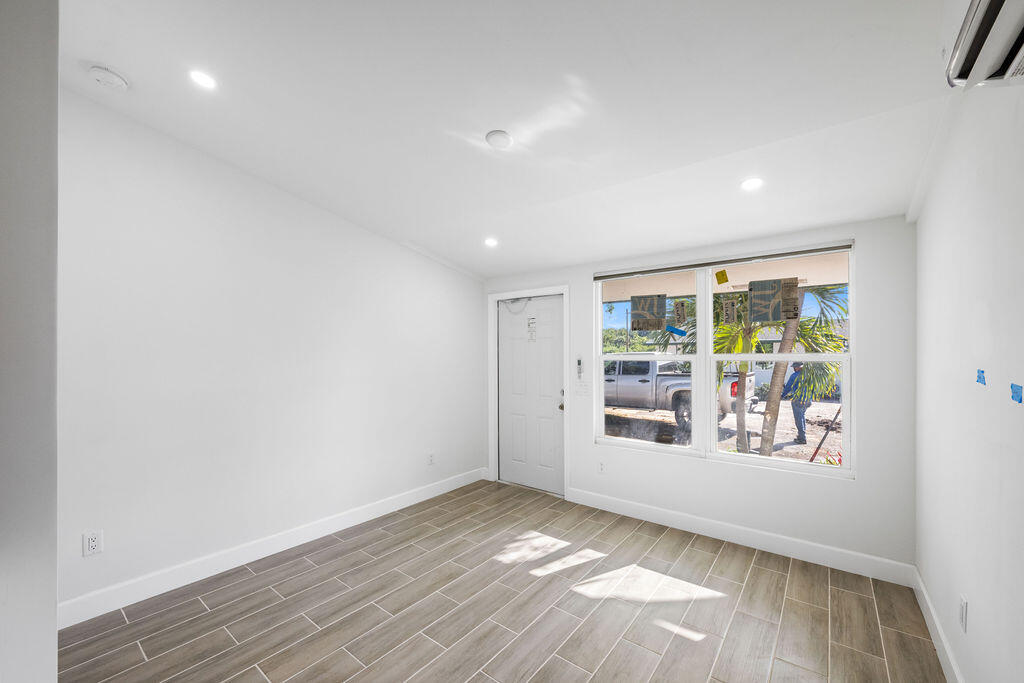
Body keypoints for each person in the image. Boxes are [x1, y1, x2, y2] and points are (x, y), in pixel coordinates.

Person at [782, 362, 811, 444]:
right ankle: (801, 435)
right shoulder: (809, 375)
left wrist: (782, 396)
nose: (794, 368)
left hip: (798, 400)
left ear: (798, 367)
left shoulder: (794, 375)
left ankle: (802, 438)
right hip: (808, 400)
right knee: (802, 416)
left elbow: (788, 387)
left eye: (795, 367)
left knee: (799, 419)